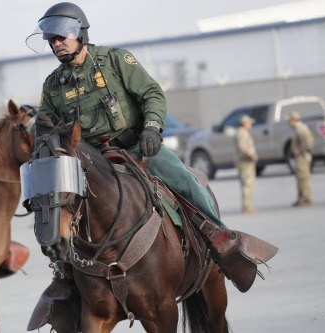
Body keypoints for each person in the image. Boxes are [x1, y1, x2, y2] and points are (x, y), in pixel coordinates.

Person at [25, 3, 277, 330]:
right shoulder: (53, 84)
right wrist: (38, 132)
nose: (56, 43)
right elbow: (44, 127)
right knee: (56, 203)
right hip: (88, 160)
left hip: (135, 146)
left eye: (62, 37)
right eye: (52, 40)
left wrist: (152, 128)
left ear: (79, 34)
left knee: (184, 180)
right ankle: (63, 271)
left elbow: (151, 94)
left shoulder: (115, 60)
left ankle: (219, 240)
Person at [287, 111, 314, 206]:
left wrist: (301, 150)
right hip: (300, 157)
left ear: (295, 120)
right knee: (300, 178)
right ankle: (301, 199)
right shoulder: (297, 129)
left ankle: (307, 199)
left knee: (303, 178)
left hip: (303, 157)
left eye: (290, 121)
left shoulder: (301, 129)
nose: (288, 123)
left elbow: (308, 142)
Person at [235, 115, 258, 213]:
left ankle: (247, 205)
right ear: (244, 123)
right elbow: (243, 148)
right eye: (249, 123)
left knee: (248, 183)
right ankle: (247, 206)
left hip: (246, 162)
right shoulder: (242, 134)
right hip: (245, 162)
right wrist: (252, 156)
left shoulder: (242, 133)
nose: (250, 125)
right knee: (247, 183)